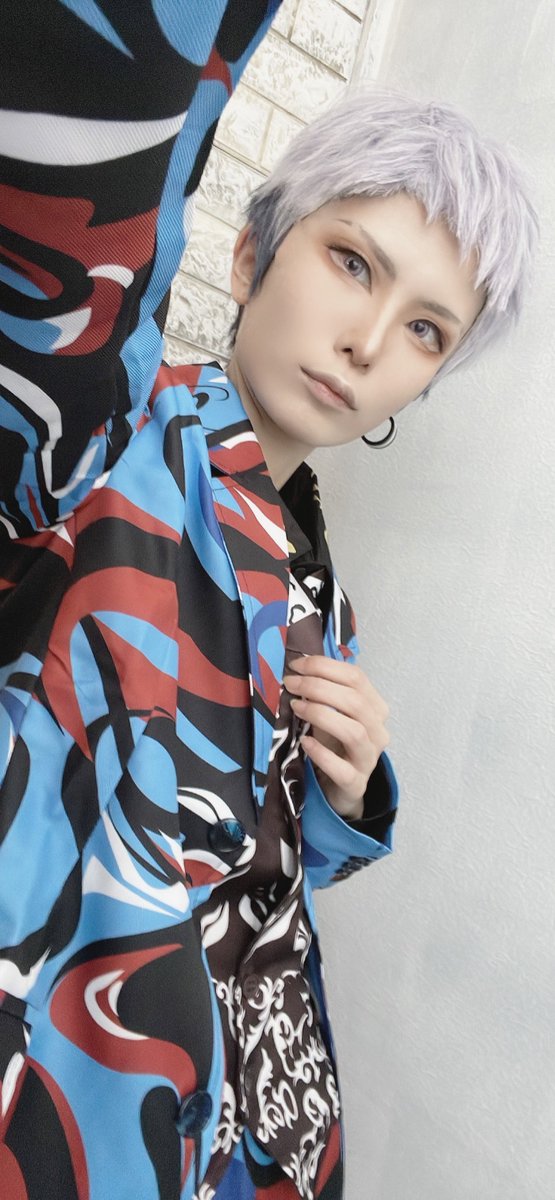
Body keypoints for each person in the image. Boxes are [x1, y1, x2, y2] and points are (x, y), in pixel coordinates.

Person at [0, 10, 537, 1199]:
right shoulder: (100, 438)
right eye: (352, 263)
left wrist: (345, 797)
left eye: (425, 331)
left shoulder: (322, 593)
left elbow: (237, 860)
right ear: (250, 256)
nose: (367, 342)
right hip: (61, 1085)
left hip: (238, 1127)